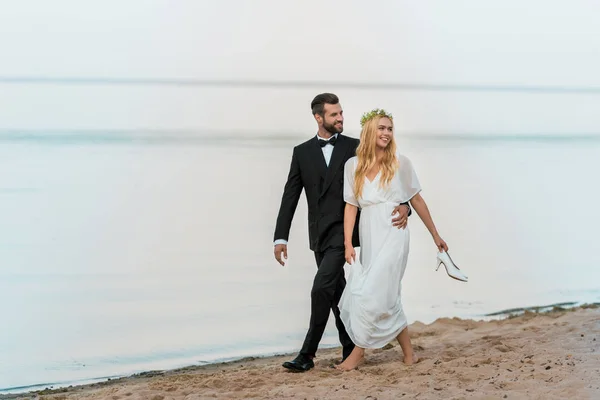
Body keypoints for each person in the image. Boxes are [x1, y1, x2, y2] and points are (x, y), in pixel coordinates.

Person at [273, 94, 412, 372]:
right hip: (319, 236)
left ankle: (307, 354)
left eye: (341, 113)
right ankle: (350, 347)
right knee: (337, 296)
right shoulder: (302, 152)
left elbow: (388, 175)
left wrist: (405, 204)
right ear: (318, 117)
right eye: (334, 115)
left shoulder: (355, 146)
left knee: (320, 288)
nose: (340, 118)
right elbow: (291, 195)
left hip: (345, 234)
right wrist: (281, 237)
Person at [336, 108, 450, 371]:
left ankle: (358, 353)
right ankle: (410, 355)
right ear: (369, 131)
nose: (387, 133)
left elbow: (416, 199)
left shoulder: (400, 162)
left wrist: (435, 235)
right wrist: (347, 244)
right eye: (382, 128)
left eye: (389, 129)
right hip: (370, 234)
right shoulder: (352, 166)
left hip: (395, 233)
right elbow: (351, 206)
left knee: (374, 292)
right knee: (386, 295)